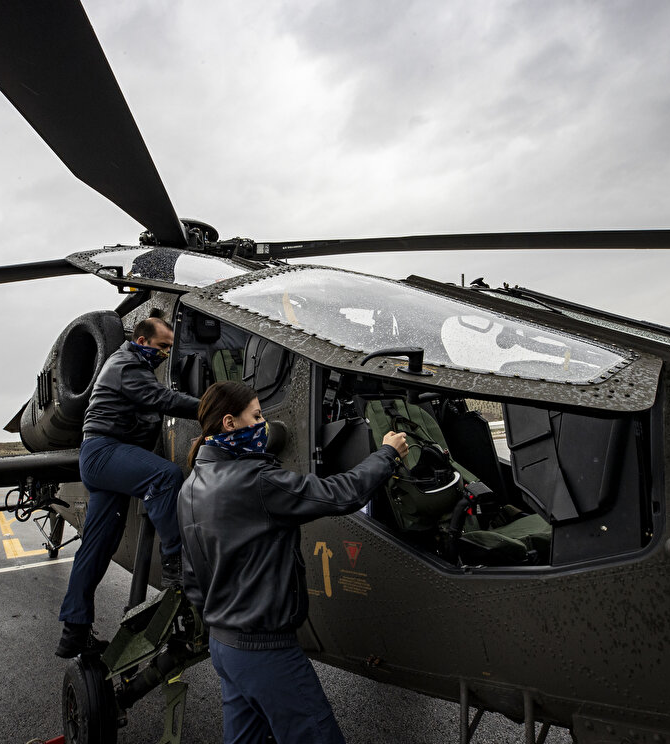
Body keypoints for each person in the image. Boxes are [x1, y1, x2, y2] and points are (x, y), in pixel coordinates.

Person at [178, 381, 410, 744]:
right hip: (265, 651)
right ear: (229, 423)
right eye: (256, 416)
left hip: (225, 647)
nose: (263, 424)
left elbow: (191, 578)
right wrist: (386, 455)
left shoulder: (190, 487)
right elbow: (337, 495)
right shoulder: (256, 482)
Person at [56, 311, 200, 658]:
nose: (166, 353)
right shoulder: (127, 365)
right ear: (141, 342)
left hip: (102, 456)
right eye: (163, 347)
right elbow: (162, 400)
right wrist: (212, 408)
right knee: (166, 477)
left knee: (97, 545)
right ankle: (175, 567)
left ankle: (74, 630)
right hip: (105, 451)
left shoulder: (130, 365)